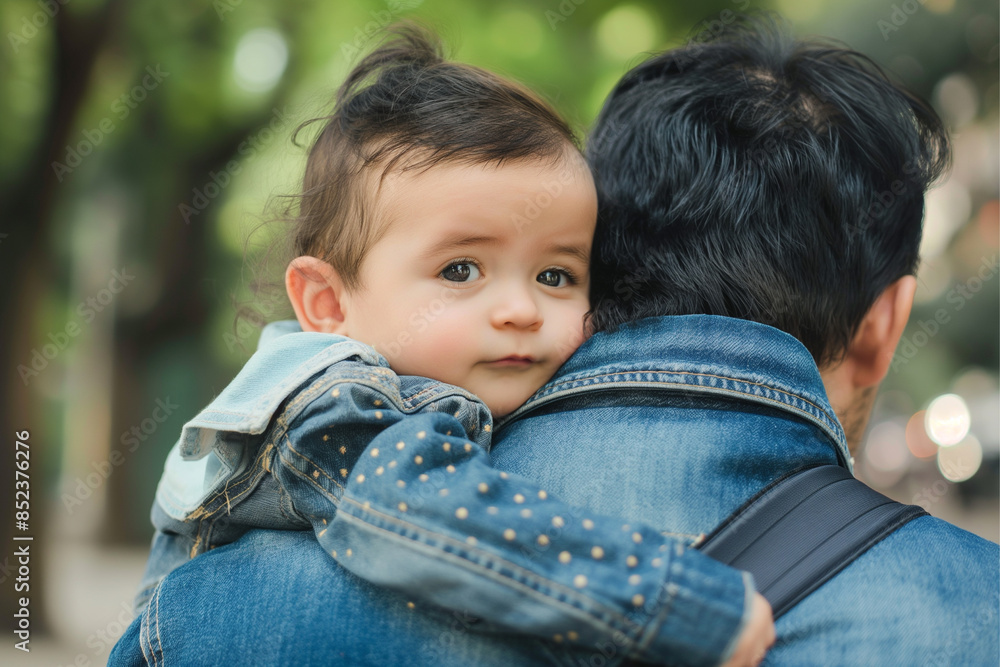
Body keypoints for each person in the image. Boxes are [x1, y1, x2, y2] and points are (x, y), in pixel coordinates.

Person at [112, 15, 1000, 667]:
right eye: (461, 270)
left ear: (603, 267)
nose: (517, 310)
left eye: (552, 276)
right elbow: (418, 516)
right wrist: (678, 603)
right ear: (885, 325)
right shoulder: (344, 422)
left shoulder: (221, 608)